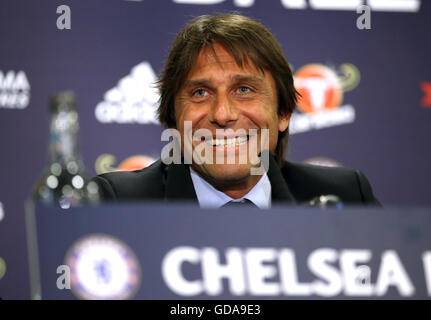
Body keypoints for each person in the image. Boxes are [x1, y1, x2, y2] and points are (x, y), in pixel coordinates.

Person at [92, 13, 380, 208]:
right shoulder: (117, 204)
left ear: (283, 113)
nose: (222, 114)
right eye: (200, 92)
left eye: (244, 90)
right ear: (173, 117)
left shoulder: (347, 197)